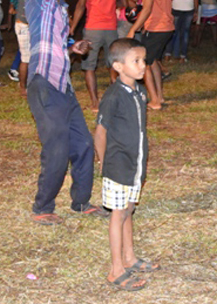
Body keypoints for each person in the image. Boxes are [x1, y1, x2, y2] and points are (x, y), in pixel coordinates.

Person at [26, 0, 108, 225]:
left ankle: (81, 202)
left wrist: (72, 47)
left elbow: (54, 44)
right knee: (57, 148)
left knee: (84, 145)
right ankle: (43, 208)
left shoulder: (59, 8)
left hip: (63, 86)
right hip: (44, 85)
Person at [94, 38, 158, 291]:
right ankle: (116, 270)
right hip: (118, 165)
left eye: (143, 60)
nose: (143, 66)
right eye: (136, 61)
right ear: (118, 66)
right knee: (118, 214)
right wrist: (104, 162)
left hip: (135, 163)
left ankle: (130, 258)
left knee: (129, 209)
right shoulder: (113, 96)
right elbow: (100, 133)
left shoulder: (139, 92)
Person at [71, 0, 129, 111]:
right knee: (113, 64)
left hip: (93, 28)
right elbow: (124, 3)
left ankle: (95, 102)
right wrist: (111, 5)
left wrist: (73, 26)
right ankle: (117, 97)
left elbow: (81, 5)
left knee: (89, 66)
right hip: (111, 28)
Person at [126, 0, 174, 110]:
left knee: (144, 63)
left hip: (157, 27)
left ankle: (154, 100)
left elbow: (147, 9)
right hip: (166, 26)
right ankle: (159, 96)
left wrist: (134, 29)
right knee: (153, 62)